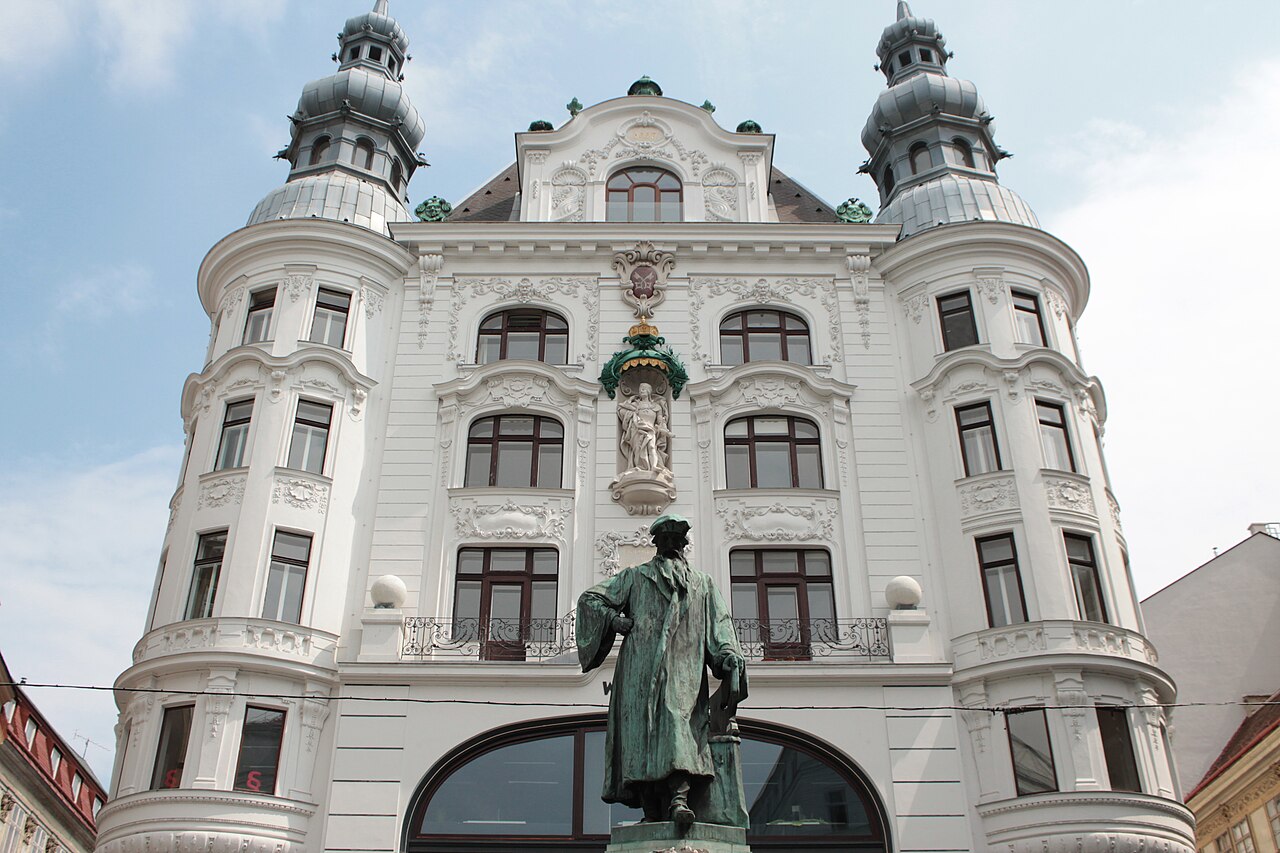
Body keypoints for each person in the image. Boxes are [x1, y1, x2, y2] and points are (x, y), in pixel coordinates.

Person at [577, 514, 748, 827]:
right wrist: (613, 620)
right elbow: (591, 599)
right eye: (665, 540)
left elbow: (719, 628)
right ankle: (651, 811)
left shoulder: (702, 584)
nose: (672, 546)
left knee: (678, 728)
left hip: (685, 670)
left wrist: (727, 656)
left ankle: (679, 799)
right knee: (640, 737)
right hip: (638, 673)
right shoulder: (635, 577)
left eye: (677, 541)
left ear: (684, 545)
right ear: (655, 545)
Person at [617, 382, 670, 473]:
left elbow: (660, 420)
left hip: (651, 430)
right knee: (638, 448)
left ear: (649, 391)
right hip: (637, 430)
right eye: (640, 389)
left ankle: (653, 466)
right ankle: (641, 466)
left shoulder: (656, 406)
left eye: (644, 389)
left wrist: (662, 427)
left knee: (652, 447)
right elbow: (621, 409)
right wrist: (631, 415)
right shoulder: (635, 405)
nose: (641, 391)